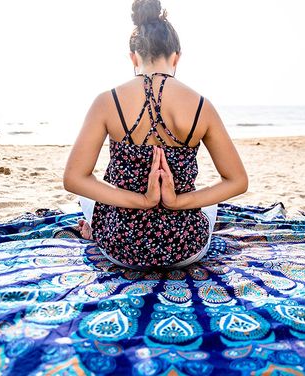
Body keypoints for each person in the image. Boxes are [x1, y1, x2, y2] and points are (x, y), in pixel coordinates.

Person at [63, 0, 248, 271]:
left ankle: (96, 229)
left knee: (87, 195)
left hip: (122, 248)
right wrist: (177, 201)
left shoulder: (106, 101)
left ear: (133, 56)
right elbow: (237, 181)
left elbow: (74, 178)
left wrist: (142, 200)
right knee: (210, 205)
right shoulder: (201, 105)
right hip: (184, 248)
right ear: (177, 56)